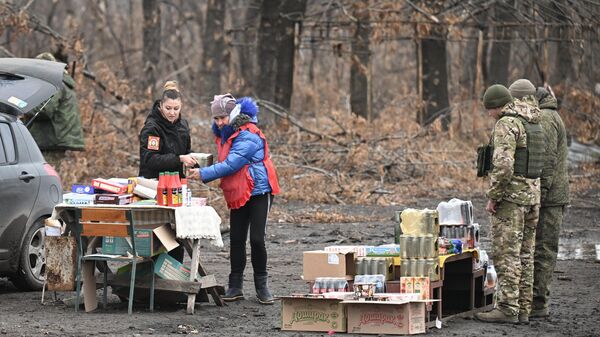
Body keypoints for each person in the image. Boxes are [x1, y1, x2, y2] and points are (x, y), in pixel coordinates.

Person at [187, 94, 280, 305]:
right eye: (216, 119)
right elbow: (224, 161)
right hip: (239, 191)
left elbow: (231, 164)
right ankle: (235, 286)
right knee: (237, 239)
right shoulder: (225, 134)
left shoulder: (248, 135)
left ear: (234, 113)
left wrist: (202, 174)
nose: (219, 122)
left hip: (259, 191)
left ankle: (262, 286)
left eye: (223, 117)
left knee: (257, 239)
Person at [474, 84, 542, 324]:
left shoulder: (506, 123)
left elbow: (503, 166)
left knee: (507, 255)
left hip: (511, 200)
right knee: (525, 254)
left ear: (496, 106)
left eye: (489, 110)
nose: (489, 115)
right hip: (533, 196)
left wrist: (494, 196)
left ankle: (507, 308)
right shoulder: (533, 120)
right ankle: (523, 309)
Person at [530, 87, 570, 318]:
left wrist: (540, 195)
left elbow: (547, 161)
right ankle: (537, 300)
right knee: (543, 248)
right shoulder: (552, 115)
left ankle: (538, 303)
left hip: (550, 198)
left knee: (543, 249)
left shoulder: (545, 118)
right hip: (554, 195)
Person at [24, 52, 84, 169]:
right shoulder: (61, 83)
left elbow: (45, 110)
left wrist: (22, 108)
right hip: (53, 140)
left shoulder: (55, 84)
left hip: (51, 141)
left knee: (46, 177)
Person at [138, 81, 196, 179]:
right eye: (168, 108)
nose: (172, 113)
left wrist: (194, 160)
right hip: (152, 182)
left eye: (176, 108)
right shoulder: (152, 128)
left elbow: (187, 151)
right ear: (161, 105)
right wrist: (179, 159)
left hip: (176, 181)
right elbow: (150, 159)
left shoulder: (183, 125)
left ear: (181, 106)